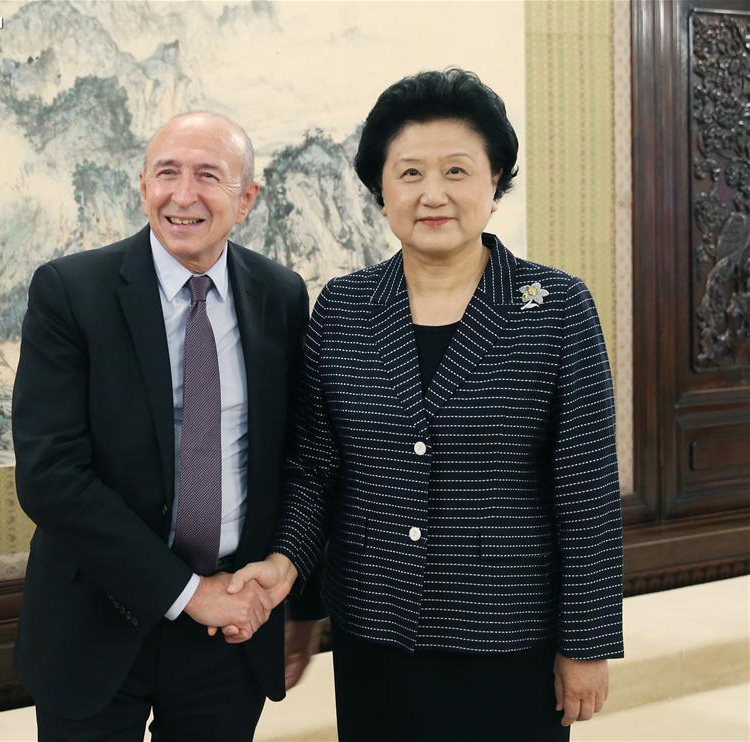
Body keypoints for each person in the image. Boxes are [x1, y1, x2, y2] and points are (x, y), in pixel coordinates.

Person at [227, 69, 625, 741]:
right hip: (375, 631)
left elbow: (586, 490)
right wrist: (294, 586)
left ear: (494, 183)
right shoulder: (344, 308)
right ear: (381, 193)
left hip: (509, 634)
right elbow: (315, 470)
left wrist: (586, 644)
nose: (432, 194)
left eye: (457, 171)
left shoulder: (556, 308)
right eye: (409, 173)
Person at [12, 111, 322, 742]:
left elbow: (300, 456)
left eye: (209, 175)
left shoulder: (281, 295)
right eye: (167, 174)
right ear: (142, 184)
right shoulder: (71, 292)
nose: (184, 195)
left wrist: (287, 583)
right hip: (96, 620)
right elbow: (49, 477)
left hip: (229, 632)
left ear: (247, 199)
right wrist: (186, 591)